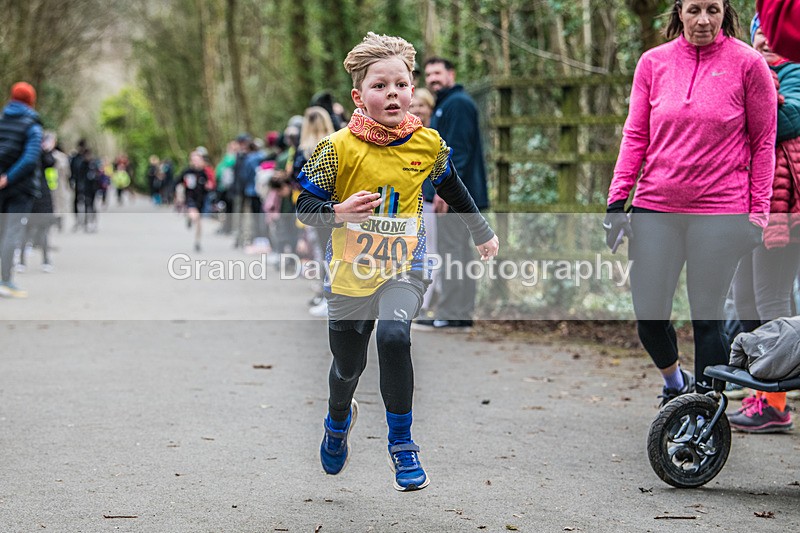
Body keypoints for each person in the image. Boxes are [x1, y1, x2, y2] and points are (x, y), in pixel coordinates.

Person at [295, 32, 499, 491]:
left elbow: (452, 187)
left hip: (405, 266)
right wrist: (337, 212)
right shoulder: (337, 148)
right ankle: (337, 420)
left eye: (401, 85)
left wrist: (481, 232)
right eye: (380, 86)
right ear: (358, 95)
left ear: (412, 91)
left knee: (392, 336)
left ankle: (402, 444)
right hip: (350, 274)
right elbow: (303, 208)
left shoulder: (426, 143)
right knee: (347, 368)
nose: (392, 94)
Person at [605, 0, 777, 406]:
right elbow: (635, 135)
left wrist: (758, 214)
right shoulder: (653, 63)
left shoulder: (748, 64)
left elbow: (763, 142)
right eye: (695, 10)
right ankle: (676, 383)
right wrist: (617, 201)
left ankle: (705, 414)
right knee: (649, 317)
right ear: (679, 11)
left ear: (725, 13)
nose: (704, 20)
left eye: (713, 10)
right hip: (655, 206)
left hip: (720, 210)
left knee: (707, 317)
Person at [728, 15, 800, 433]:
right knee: (744, 298)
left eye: (775, 36)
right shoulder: (750, 74)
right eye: (760, 35)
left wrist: (756, 89)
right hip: (749, 206)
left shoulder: (792, 73)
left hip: (786, 211)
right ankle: (761, 389)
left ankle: (775, 402)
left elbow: (786, 123)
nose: (767, 42)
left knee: (771, 297)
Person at [420, 56, 490, 330]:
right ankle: (458, 312)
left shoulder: (458, 104)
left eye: (437, 73)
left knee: (453, 251)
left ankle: (452, 312)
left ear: (451, 73)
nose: (432, 79)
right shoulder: (445, 104)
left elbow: (457, 150)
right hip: (455, 193)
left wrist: (445, 190)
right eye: (428, 74)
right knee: (457, 250)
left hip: (458, 195)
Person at [0, 82, 43, 298]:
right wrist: (9, 178)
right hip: (20, 188)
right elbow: (30, 158)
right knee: (12, 232)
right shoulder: (32, 125)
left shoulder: (1, 120)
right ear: (30, 100)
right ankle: (6, 280)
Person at [409, 88, 440, 316]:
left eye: (422, 105)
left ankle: (425, 302)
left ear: (430, 108)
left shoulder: (434, 137)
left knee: (429, 250)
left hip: (428, 201)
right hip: (407, 204)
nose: (417, 110)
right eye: (413, 106)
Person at [179, 150, 208, 252]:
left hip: (201, 201)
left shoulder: (204, 173)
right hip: (190, 199)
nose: (196, 162)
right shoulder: (187, 172)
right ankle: (190, 217)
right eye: (194, 159)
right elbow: (177, 182)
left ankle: (197, 241)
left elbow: (209, 187)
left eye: (198, 159)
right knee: (195, 216)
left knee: (199, 223)